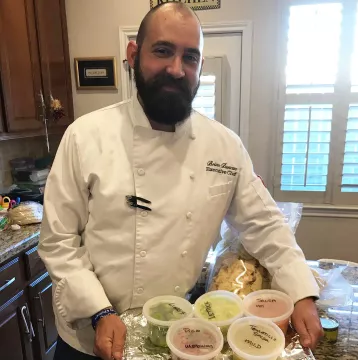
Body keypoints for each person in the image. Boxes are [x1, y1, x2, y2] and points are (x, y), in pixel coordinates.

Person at [38, 3, 323, 360]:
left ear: (200, 67)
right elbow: (58, 242)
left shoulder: (224, 145)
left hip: (177, 333)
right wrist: (99, 310)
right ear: (133, 54)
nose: (176, 69)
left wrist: (301, 293)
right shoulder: (84, 137)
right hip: (91, 339)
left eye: (190, 57)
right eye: (162, 51)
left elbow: (265, 224)